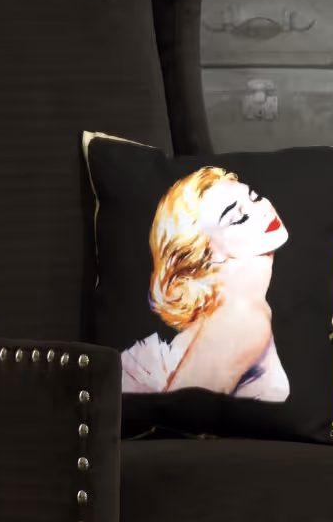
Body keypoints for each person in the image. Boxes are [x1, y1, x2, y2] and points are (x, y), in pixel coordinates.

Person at [119, 165, 291, 402]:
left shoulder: (234, 310)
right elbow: (179, 419)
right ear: (208, 254)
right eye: (237, 218)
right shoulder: (239, 317)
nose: (261, 211)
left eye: (254, 197)